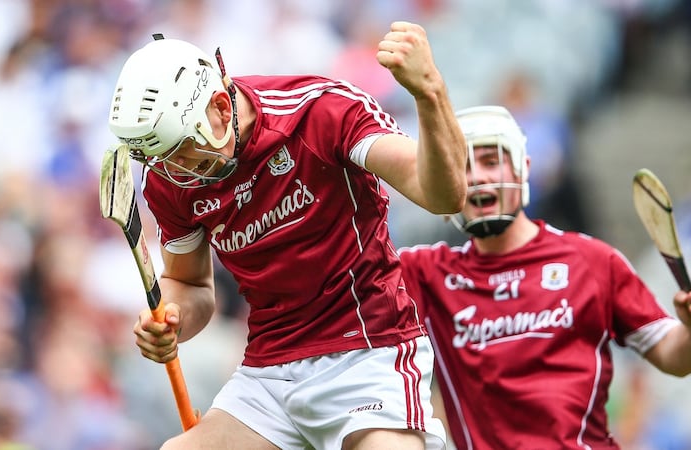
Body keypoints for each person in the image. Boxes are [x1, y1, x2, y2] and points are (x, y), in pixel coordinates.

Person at [106, 21, 466, 449]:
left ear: (221, 108)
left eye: (187, 155)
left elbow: (444, 195)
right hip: (269, 370)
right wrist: (173, 320)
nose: (178, 173)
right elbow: (189, 284)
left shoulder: (320, 112)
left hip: (369, 350)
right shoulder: (169, 179)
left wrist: (430, 93)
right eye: (161, 161)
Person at [397, 105, 691, 449]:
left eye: (491, 161)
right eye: (462, 167)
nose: (477, 177)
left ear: (524, 169)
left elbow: (676, 358)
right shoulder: (424, 273)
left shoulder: (593, 261)